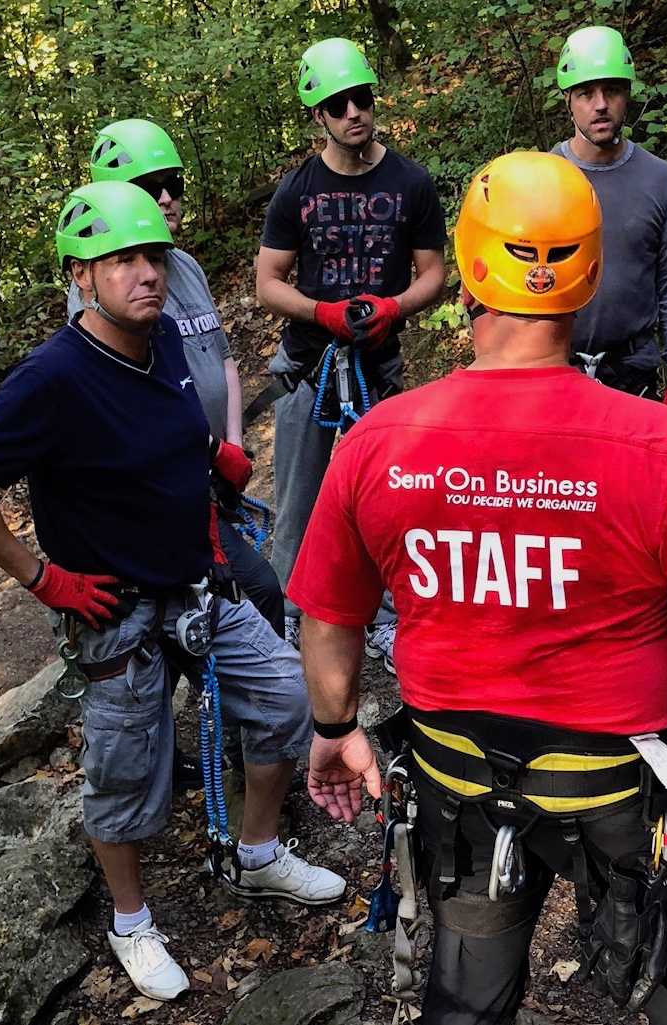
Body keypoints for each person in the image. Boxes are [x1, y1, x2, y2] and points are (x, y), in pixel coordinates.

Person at [287, 152, 667, 1024]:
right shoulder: (663, 447)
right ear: (587, 272)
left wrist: (332, 731)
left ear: (468, 270)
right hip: (617, 788)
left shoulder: (378, 441)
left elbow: (330, 613)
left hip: (458, 784)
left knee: (468, 986)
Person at [0, 180, 344, 1005]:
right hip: (117, 613)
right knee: (123, 776)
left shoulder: (160, 348)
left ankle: (255, 851)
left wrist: (207, 467)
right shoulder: (53, 376)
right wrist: (43, 577)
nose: (146, 273)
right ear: (81, 275)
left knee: (290, 697)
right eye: (122, 260)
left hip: (198, 581)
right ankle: (130, 919)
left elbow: (152, 445)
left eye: (153, 256)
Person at [255, 36, 447, 662]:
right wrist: (321, 313)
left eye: (360, 99)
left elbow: (432, 273)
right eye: (337, 105)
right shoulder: (297, 190)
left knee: (388, 498)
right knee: (299, 504)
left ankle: (388, 617)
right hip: (310, 365)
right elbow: (268, 281)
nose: (353, 113)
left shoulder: (410, 182)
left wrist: (394, 307)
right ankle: (286, 621)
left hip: (379, 367)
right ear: (319, 116)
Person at [70, 117, 284, 633]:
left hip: (214, 473)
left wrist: (233, 443)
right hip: (170, 484)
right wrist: (207, 454)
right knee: (256, 591)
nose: (166, 199)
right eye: (149, 189)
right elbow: (125, 399)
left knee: (244, 597)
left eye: (174, 185)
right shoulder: (100, 292)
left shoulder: (183, 266)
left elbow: (223, 357)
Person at [550, 25, 667, 416]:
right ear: (569, 101)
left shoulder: (660, 180)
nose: (600, 105)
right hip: (555, 371)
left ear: (627, 95)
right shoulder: (543, 178)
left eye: (611, 91)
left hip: (634, 375)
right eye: (586, 93)